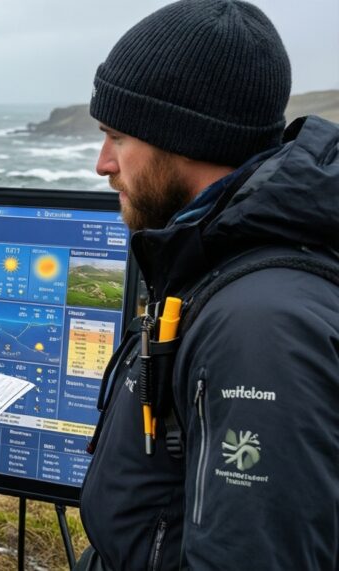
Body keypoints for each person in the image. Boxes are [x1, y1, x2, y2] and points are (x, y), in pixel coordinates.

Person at [77, 1, 339, 569]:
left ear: (184, 138)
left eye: (117, 137)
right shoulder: (210, 266)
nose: (103, 164)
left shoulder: (263, 327)